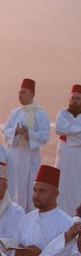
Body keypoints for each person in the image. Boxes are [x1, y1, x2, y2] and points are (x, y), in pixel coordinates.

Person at [3, 78, 51, 210]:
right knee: (13, 187)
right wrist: (15, 131)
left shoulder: (40, 114)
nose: (20, 96)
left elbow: (44, 136)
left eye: (23, 92)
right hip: (14, 155)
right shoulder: (15, 113)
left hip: (29, 156)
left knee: (28, 189)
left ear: (31, 94)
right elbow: (5, 131)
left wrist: (29, 134)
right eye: (19, 92)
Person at [15, 165, 74, 256]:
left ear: (56, 193)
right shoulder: (26, 219)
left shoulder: (67, 224)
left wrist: (41, 255)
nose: (36, 195)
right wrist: (19, 252)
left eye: (42, 191)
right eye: (34, 190)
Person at [55, 84, 81, 215]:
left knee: (77, 187)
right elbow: (59, 128)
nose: (75, 100)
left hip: (78, 158)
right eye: (73, 98)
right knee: (62, 187)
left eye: (78, 98)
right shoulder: (62, 114)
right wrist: (78, 129)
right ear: (69, 99)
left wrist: (70, 131)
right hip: (64, 157)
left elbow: (66, 130)